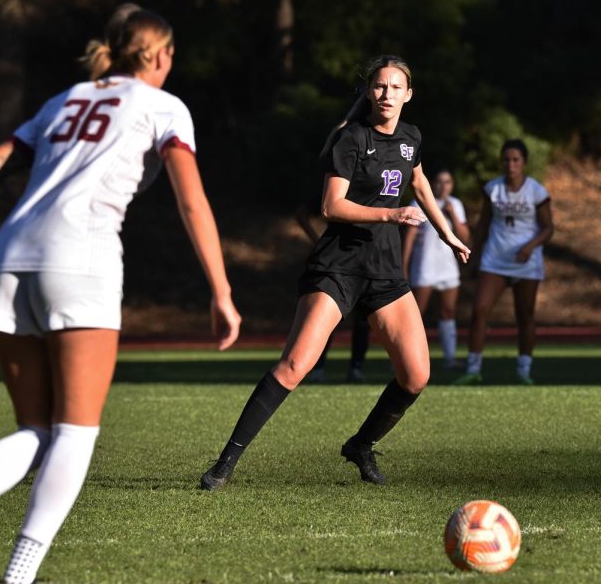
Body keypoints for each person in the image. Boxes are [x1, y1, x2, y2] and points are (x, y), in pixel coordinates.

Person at [0, 4, 241, 584]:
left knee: (37, 428)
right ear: (162, 55)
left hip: (9, 255)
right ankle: (17, 579)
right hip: (80, 258)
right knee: (75, 431)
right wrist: (220, 290)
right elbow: (192, 202)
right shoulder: (164, 106)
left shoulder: (65, 98)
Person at [199, 54, 469, 490]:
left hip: (383, 273)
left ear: (408, 95)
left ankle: (361, 445)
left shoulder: (411, 138)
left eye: (395, 87)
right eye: (379, 86)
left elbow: (418, 185)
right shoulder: (350, 138)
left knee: (417, 375)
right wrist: (390, 216)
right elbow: (331, 206)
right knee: (294, 365)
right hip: (338, 266)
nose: (386, 94)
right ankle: (224, 463)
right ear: (368, 91)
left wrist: (447, 233)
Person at [454, 139, 554, 386]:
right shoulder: (493, 189)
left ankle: (524, 370)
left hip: (526, 262)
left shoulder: (536, 191)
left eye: (516, 160)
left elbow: (548, 228)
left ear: (524, 163)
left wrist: (530, 247)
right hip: (495, 259)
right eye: (506, 160)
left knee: (525, 315)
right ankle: (473, 368)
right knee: (480, 310)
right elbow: (484, 224)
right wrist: (472, 253)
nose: (511, 165)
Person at [293, 200, 372, 384]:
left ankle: (356, 368)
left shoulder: (377, 181)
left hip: (368, 263)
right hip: (337, 264)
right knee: (326, 321)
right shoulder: (337, 182)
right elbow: (303, 213)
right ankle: (318, 368)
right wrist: (317, 241)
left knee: (362, 321)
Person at [401, 169, 471, 369]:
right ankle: (407, 359)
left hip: (448, 267)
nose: (444, 186)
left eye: (448, 182)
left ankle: (449, 357)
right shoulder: (419, 203)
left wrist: (453, 216)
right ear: (432, 183)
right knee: (417, 314)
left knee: (448, 311)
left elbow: (465, 238)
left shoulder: (456, 204)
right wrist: (404, 266)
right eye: (439, 182)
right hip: (424, 267)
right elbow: (409, 239)